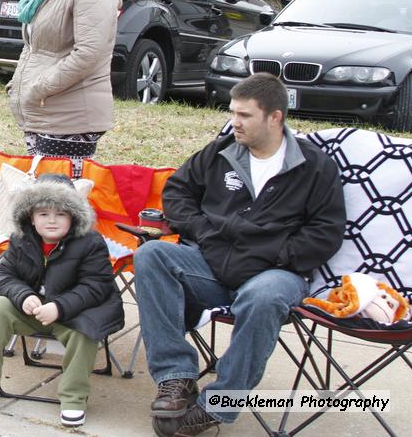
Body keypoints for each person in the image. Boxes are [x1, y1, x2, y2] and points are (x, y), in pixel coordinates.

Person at [134, 73, 346, 437]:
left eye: (245, 115)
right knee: (152, 255)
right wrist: (202, 231)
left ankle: (220, 405)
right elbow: (178, 193)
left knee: (264, 297)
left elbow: (326, 233)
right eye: (233, 112)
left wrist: (277, 253)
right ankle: (176, 379)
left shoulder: (314, 166)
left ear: (275, 117)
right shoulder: (221, 152)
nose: (235, 122)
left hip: (274, 273)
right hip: (212, 266)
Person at [0, 174, 123, 428]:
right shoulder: (22, 238)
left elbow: (96, 286)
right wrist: (25, 296)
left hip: (75, 311)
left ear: (73, 215)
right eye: (43, 214)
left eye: (61, 213)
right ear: (31, 216)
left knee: (86, 329)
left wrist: (59, 307)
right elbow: (5, 275)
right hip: (35, 308)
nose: (51, 220)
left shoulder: (90, 242)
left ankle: (74, 396)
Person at [7, 0, 121, 178]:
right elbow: (36, 44)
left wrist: (40, 86)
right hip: (47, 110)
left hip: (71, 113)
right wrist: (20, 85)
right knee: (42, 196)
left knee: (59, 200)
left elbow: (89, 53)